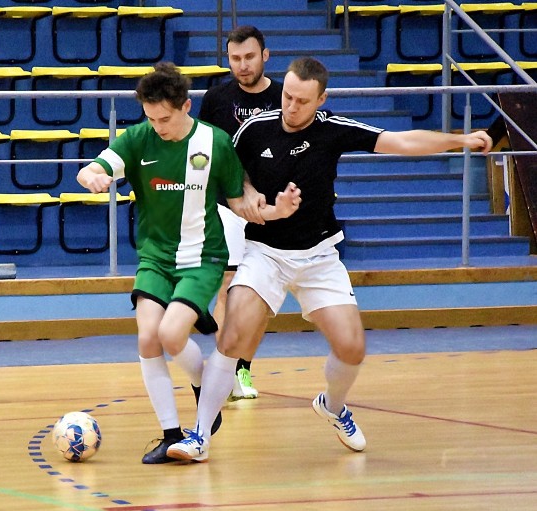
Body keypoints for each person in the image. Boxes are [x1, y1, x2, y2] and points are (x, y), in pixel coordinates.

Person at [166, 56, 493, 462]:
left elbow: (401, 141)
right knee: (232, 337)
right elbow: (227, 172)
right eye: (287, 95)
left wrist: (458, 141)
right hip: (265, 252)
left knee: (352, 348)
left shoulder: (334, 131)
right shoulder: (255, 128)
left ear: (321, 100)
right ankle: (199, 436)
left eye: (302, 100)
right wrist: (248, 194)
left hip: (319, 256)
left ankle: (333, 406)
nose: (291, 106)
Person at [77, 62, 301, 464]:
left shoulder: (214, 143)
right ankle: (172, 431)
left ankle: (207, 386)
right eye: (150, 118)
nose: (158, 126)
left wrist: (277, 212)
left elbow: (241, 204)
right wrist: (91, 176)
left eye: (164, 118)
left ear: (185, 107)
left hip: (202, 256)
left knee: (171, 335)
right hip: (155, 257)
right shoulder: (140, 138)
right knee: (148, 338)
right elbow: (95, 167)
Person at [198, 25, 283, 401]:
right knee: (229, 287)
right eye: (235, 59)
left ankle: (243, 369)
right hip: (228, 205)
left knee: (261, 295)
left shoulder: (286, 96)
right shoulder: (216, 98)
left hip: (275, 208)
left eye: (249, 57)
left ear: (265, 55)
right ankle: (225, 368)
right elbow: (204, 153)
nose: (243, 65)